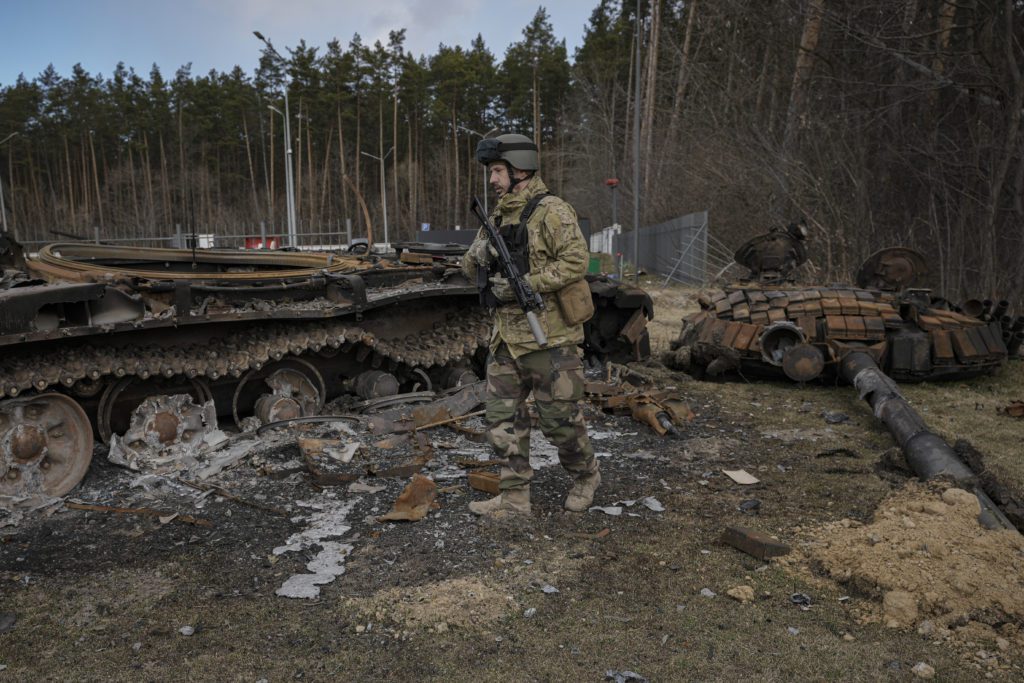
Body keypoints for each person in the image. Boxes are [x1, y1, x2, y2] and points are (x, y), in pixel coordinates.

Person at [462, 133, 600, 516]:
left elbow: (576, 262)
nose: (492, 180)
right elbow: (467, 266)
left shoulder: (553, 211)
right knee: (501, 420)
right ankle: (514, 498)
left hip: (550, 337)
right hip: (505, 338)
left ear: (519, 168)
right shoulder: (495, 216)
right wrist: (477, 253)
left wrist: (526, 284)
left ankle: (586, 475)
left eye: (497, 171)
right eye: (491, 172)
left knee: (560, 422)